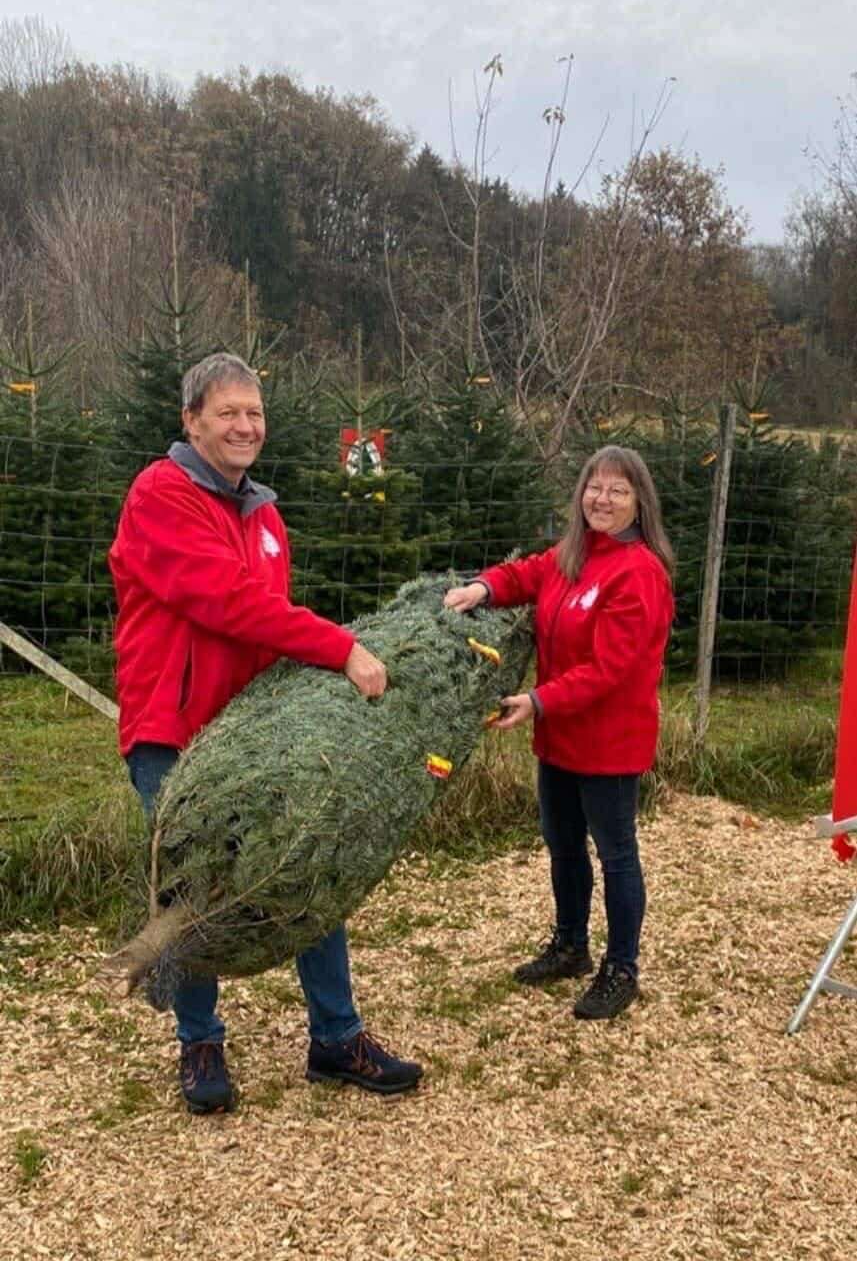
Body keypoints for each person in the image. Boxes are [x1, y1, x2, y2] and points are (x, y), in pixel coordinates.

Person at [109, 352, 422, 1112]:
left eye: (254, 413)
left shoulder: (265, 514)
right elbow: (229, 602)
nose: (245, 426)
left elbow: (268, 628)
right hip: (176, 734)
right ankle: (200, 1043)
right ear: (191, 421)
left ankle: (335, 1037)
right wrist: (341, 648)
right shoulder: (163, 495)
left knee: (309, 868)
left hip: (258, 739)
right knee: (193, 891)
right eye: (228, 413)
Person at [444, 446, 674, 1020]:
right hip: (560, 740)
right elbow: (526, 574)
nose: (603, 499)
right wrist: (484, 588)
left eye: (618, 491)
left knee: (616, 854)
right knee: (563, 845)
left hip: (609, 743)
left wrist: (538, 700)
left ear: (639, 503)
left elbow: (610, 669)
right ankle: (570, 944)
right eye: (595, 487)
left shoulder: (638, 571)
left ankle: (622, 967)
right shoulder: (574, 555)